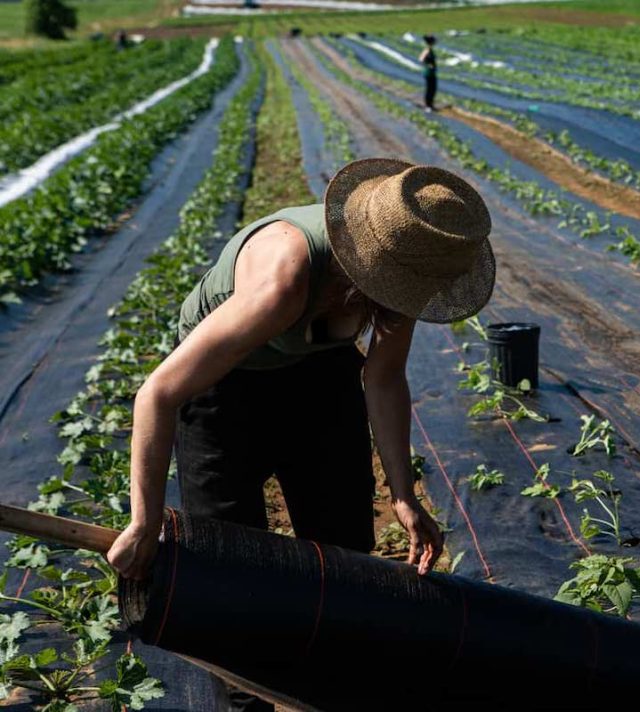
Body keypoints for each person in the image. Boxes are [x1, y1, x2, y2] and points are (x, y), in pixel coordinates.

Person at [106, 158, 495, 710]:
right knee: (227, 578)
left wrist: (404, 496)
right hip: (224, 386)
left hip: (317, 377)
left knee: (344, 557)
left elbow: (383, 380)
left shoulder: (402, 278)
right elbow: (158, 393)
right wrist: (143, 522)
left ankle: (327, 687)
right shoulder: (284, 278)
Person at [419, 34, 438, 111]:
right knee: (430, 88)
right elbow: (421, 59)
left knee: (432, 88)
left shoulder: (430, 49)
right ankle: (428, 105)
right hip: (428, 72)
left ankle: (430, 104)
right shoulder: (427, 50)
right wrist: (428, 64)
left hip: (431, 72)